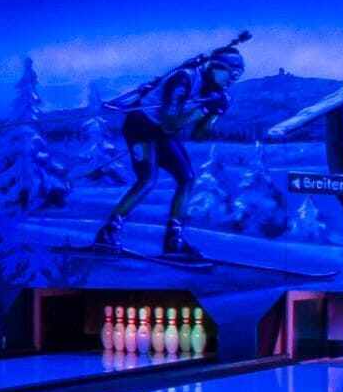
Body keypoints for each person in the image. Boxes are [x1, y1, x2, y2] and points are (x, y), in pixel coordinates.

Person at [92, 36, 250, 261]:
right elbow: (170, 123)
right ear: (216, 67)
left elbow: (198, 134)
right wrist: (204, 110)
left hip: (163, 132)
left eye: (238, 76)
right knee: (148, 178)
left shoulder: (217, 92)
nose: (232, 80)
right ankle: (108, 232)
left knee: (187, 178)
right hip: (141, 125)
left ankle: (173, 240)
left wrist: (214, 116)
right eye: (231, 74)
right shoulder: (184, 79)